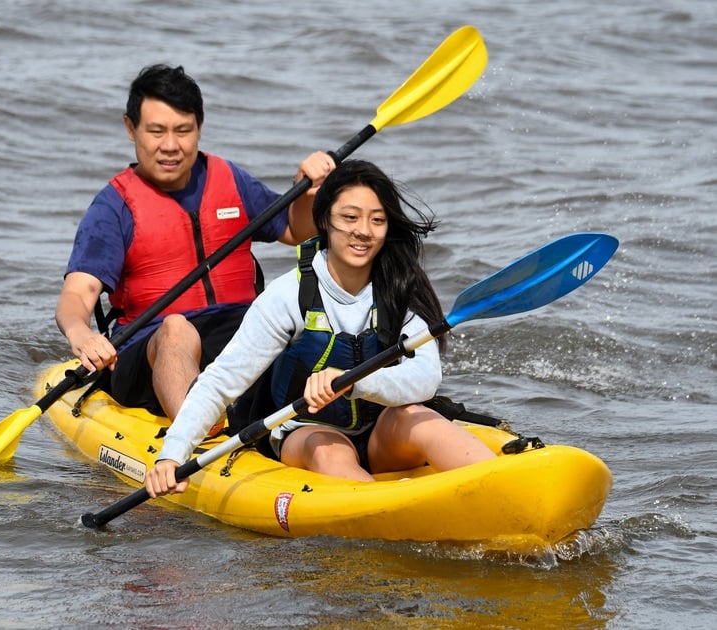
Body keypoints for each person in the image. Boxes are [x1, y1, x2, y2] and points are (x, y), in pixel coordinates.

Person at [145, 159, 496, 497]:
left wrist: (355, 382)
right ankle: (385, 518)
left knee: (422, 418)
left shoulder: (400, 289)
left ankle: (501, 488)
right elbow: (221, 382)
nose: (363, 231)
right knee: (329, 452)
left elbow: (425, 377)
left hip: (381, 432)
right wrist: (172, 453)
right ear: (325, 220)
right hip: (306, 433)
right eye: (349, 217)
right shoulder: (289, 296)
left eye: (377, 220)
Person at [55, 64, 336, 422]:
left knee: (300, 324)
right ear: (131, 128)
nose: (170, 146)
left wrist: (307, 190)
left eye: (183, 131)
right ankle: (196, 430)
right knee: (176, 329)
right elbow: (77, 294)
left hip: (236, 335)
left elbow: (296, 232)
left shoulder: (230, 178)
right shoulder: (114, 207)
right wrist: (82, 335)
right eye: (156, 131)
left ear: (199, 128)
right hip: (151, 350)